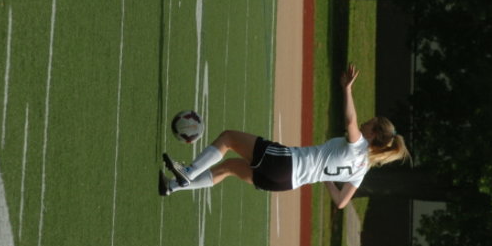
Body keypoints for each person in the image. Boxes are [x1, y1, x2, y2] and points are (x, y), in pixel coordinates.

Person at [159, 64, 410, 208]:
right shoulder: (361, 169)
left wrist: (347, 90)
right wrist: (324, 175)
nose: (366, 122)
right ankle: (172, 186)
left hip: (285, 163)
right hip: (285, 183)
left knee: (228, 138)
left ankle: (188, 173)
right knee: (229, 168)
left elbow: (351, 121)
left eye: (370, 123)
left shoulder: (359, 146)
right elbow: (341, 202)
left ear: (374, 134)